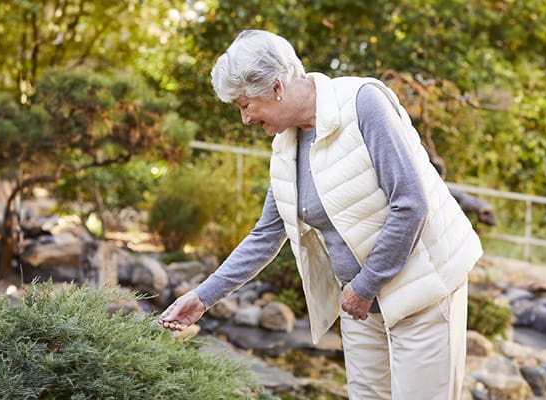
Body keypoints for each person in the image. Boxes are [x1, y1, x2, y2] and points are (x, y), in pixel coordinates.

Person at [160, 29, 483, 400]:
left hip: (424, 287)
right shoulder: (286, 145)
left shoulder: (363, 102)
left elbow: (410, 203)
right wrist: (202, 298)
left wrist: (365, 285)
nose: (245, 119)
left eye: (245, 105)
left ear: (277, 88)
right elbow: (267, 234)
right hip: (360, 305)